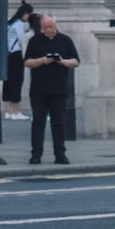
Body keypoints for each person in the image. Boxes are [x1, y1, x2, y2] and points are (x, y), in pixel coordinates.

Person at [23, 13, 80, 164]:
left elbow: (75, 61)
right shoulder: (34, 41)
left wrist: (62, 62)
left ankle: (60, 154)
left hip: (59, 88)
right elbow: (27, 62)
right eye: (46, 27)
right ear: (41, 28)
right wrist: (42, 60)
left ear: (56, 26)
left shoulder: (65, 40)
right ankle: (36, 154)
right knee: (38, 122)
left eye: (52, 27)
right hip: (39, 89)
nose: (49, 30)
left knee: (59, 122)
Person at [2, 0, 34, 120]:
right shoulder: (19, 24)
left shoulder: (9, 22)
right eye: (29, 14)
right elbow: (22, 40)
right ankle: (15, 111)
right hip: (16, 54)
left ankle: (8, 111)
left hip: (8, 54)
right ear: (25, 13)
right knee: (17, 81)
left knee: (8, 82)